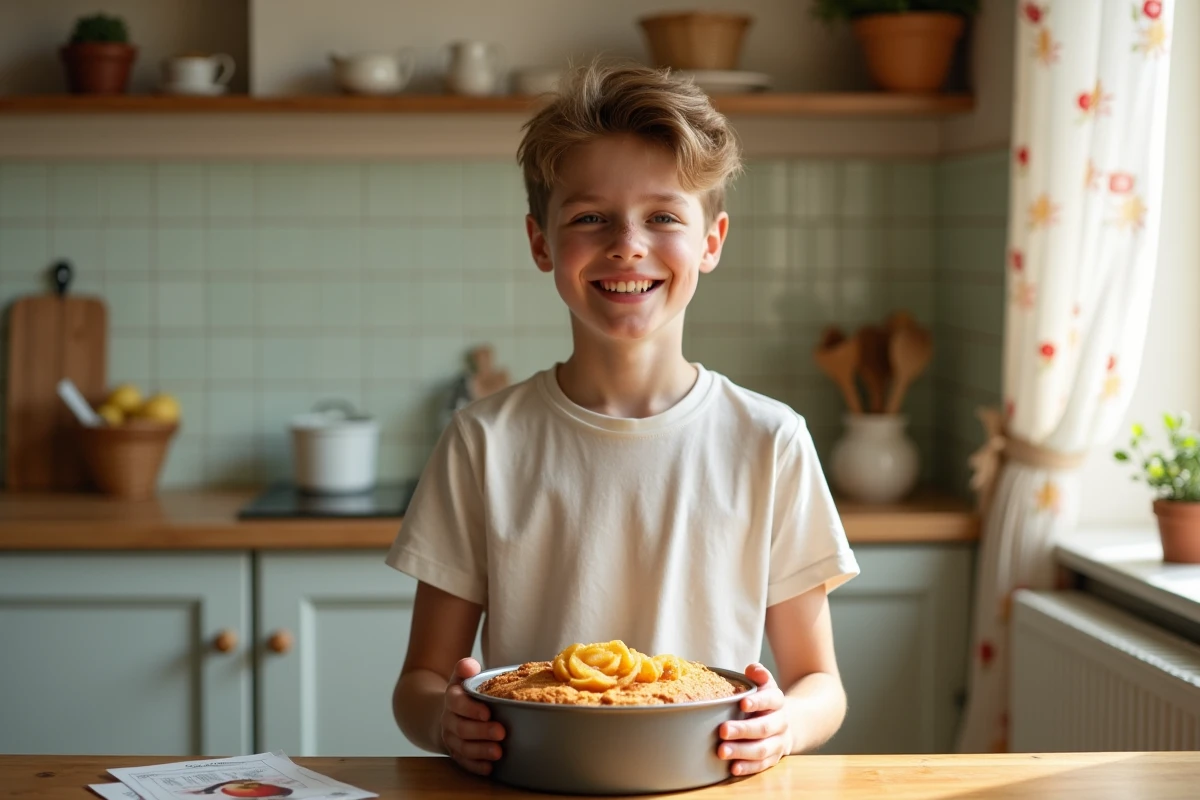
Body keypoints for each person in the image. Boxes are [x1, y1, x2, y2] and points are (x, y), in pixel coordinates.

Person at [388, 59, 860, 779]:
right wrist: (444, 722)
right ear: (541, 242)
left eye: (663, 217)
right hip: (535, 789)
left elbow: (820, 684)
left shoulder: (769, 440)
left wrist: (784, 724)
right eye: (590, 218)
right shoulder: (483, 441)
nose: (628, 244)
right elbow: (420, 683)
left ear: (712, 241)